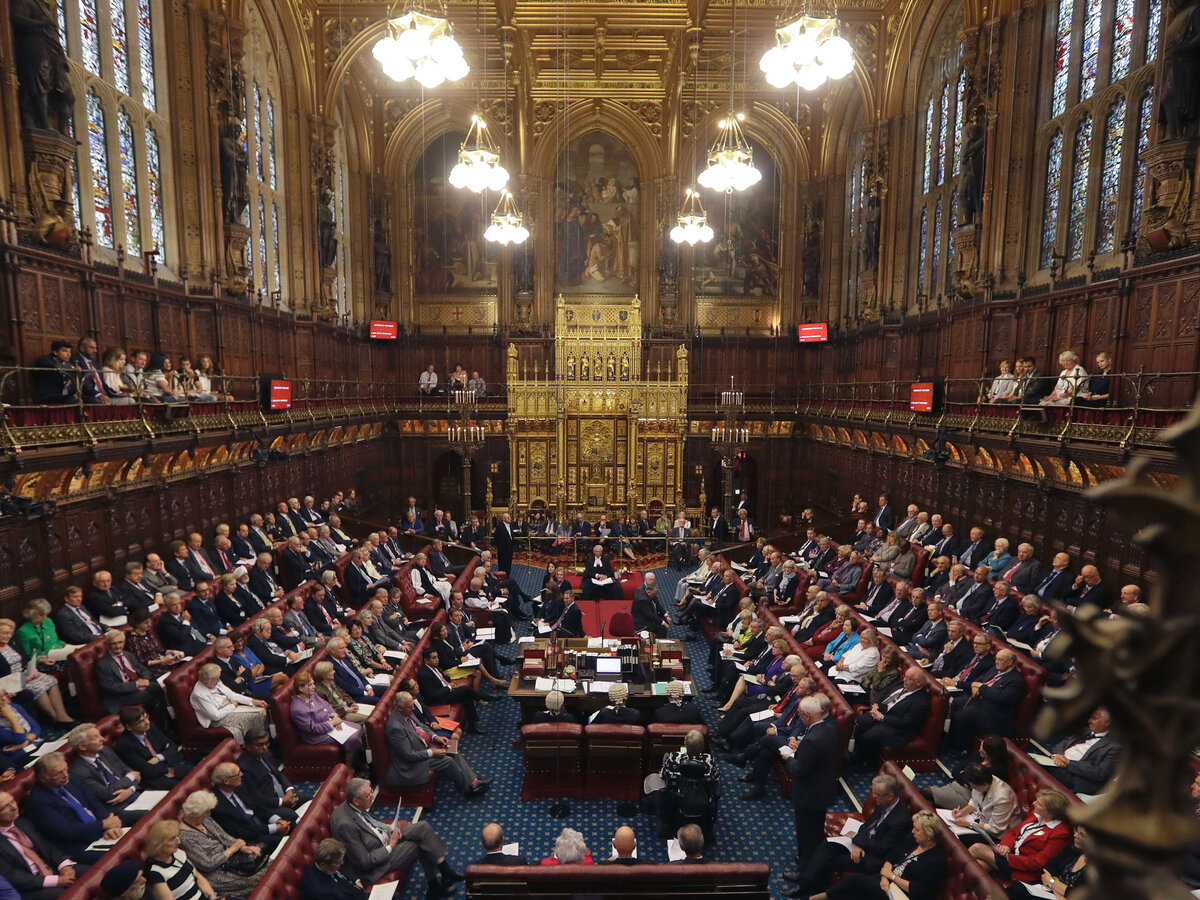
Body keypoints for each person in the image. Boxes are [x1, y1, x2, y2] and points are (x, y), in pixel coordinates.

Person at [329, 777, 461, 894]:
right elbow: (365, 862)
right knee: (418, 844)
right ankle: (434, 886)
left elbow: (369, 824)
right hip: (377, 861)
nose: (372, 797)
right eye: (369, 796)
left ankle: (445, 871)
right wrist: (391, 845)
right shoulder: (345, 826)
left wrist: (388, 829)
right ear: (356, 801)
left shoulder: (354, 806)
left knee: (423, 827)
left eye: (371, 793)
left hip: (382, 838)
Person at [809, 811, 947, 900]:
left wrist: (890, 876)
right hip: (888, 880)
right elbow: (893, 855)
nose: (912, 831)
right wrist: (886, 875)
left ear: (929, 835)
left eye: (917, 830)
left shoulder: (936, 861)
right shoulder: (913, 841)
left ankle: (819, 897)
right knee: (853, 894)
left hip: (900, 895)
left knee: (856, 880)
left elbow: (918, 890)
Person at [386, 691, 490, 797]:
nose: (413, 708)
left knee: (452, 749)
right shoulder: (395, 727)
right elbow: (409, 755)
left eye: (412, 705)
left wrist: (435, 737)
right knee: (448, 761)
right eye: (409, 707)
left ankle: (473, 782)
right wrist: (432, 752)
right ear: (399, 708)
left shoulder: (407, 711)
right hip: (413, 763)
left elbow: (422, 726)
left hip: (425, 745)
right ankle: (469, 789)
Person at [26, 753, 123, 863]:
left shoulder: (70, 779)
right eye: (59, 773)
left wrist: (109, 825)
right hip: (79, 846)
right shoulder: (38, 801)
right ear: (43, 778)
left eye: (65, 769)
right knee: (120, 856)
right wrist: (103, 825)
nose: (65, 775)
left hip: (99, 830)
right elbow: (67, 831)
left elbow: (93, 802)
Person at [968, 790, 1072, 884]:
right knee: (976, 866)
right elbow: (1014, 832)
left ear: (1051, 811)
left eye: (1039, 804)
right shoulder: (1036, 816)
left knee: (977, 848)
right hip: (1009, 854)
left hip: (1023, 869)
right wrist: (1006, 846)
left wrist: (1009, 858)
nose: (1033, 803)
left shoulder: (1060, 834)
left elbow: (1038, 863)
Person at [177, 790, 263, 898]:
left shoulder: (205, 819)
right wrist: (232, 849)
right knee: (260, 878)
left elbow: (223, 835)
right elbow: (207, 864)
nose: (209, 814)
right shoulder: (184, 837)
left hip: (232, 861)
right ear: (195, 813)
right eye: (206, 811)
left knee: (267, 863)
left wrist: (242, 847)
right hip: (217, 874)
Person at [0, 789, 79, 897]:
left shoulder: (23, 822)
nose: (13, 808)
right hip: (30, 887)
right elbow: (13, 876)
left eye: (12, 802)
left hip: (53, 870)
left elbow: (48, 846)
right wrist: (56, 881)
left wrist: (65, 866)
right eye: (5, 807)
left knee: (91, 873)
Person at [0, 618, 72, 723]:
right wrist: (24, 679)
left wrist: (33, 668)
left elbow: (26, 657)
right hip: (10, 681)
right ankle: (55, 718)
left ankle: (62, 715)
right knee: (39, 687)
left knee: (51, 681)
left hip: (24, 672)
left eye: (10, 633)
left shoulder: (13, 641)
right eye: (4, 633)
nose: (8, 636)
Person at [290, 671, 363, 759]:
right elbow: (312, 729)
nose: (314, 687)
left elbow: (327, 705)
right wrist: (331, 723)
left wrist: (334, 717)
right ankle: (350, 765)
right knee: (352, 737)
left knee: (358, 728)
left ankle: (357, 758)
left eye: (313, 683)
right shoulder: (298, 709)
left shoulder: (312, 695)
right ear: (301, 688)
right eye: (310, 685)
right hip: (317, 736)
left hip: (330, 723)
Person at [1045, 707, 1119, 795]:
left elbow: (1100, 773)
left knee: (1050, 770)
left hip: (1075, 776)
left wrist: (1068, 763)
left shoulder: (1115, 747)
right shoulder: (1084, 731)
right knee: (1033, 759)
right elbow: (1062, 744)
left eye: (1094, 718)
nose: (1089, 721)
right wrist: (1059, 757)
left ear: (1107, 723)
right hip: (1056, 763)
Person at [189, 663, 268, 744]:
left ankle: (265, 741)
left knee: (261, 711)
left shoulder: (214, 681)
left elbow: (231, 694)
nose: (218, 681)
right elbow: (215, 716)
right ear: (205, 683)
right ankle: (254, 744)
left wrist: (252, 701)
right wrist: (233, 706)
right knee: (256, 715)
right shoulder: (199, 694)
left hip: (228, 707)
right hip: (218, 719)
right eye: (216, 679)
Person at [115, 704, 191, 789]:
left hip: (169, 766)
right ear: (129, 727)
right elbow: (146, 770)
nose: (147, 722)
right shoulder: (124, 745)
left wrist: (159, 757)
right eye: (141, 721)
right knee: (183, 788)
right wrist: (166, 761)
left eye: (146, 717)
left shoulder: (151, 727)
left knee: (195, 773)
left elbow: (172, 747)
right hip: (153, 778)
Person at [143, 819, 220, 900]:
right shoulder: (154, 873)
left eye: (177, 836)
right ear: (159, 844)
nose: (179, 841)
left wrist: (213, 897)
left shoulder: (178, 853)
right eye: (173, 839)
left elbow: (199, 877)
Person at [236, 727, 300, 821]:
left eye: (266, 743)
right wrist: (282, 801)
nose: (265, 747)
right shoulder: (243, 767)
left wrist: (289, 790)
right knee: (293, 817)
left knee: (311, 801)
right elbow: (255, 798)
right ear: (248, 746)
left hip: (283, 795)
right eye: (260, 744)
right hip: (268, 806)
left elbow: (279, 774)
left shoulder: (266, 753)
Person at [946, 762, 1022, 841]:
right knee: (949, 829)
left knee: (957, 838)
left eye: (974, 787)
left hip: (999, 835)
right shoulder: (982, 782)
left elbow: (995, 828)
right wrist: (961, 812)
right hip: (980, 821)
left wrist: (968, 824)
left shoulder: (1003, 798)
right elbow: (975, 803)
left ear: (985, 784)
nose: (972, 789)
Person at [300, 838, 369, 900]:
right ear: (324, 865)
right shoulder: (319, 893)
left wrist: (357, 881)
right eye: (339, 862)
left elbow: (347, 867)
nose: (342, 863)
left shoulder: (329, 861)